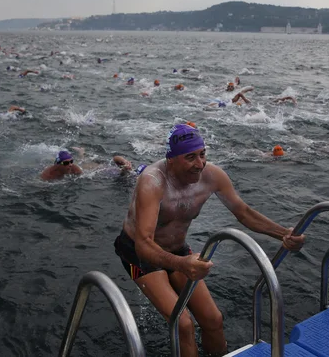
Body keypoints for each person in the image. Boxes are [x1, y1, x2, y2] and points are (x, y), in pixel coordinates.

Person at [113, 124, 305, 356]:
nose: (200, 164)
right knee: (183, 324)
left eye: (202, 154)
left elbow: (243, 212)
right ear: (171, 159)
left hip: (178, 250)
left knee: (213, 319)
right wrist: (182, 264)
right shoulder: (152, 181)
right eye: (190, 157)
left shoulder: (212, 176)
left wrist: (283, 233)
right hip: (137, 253)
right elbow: (143, 244)